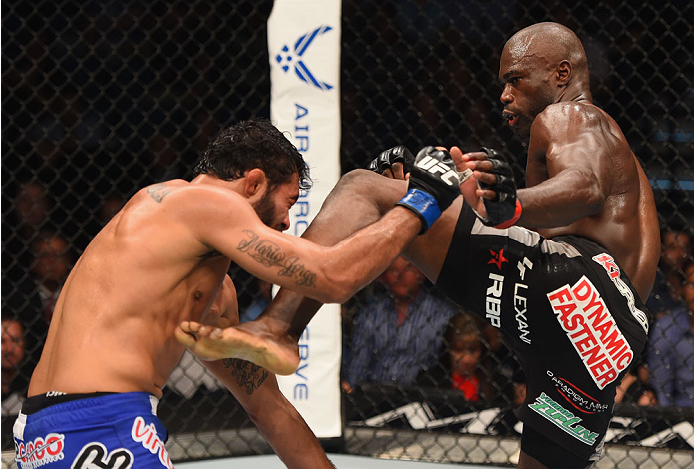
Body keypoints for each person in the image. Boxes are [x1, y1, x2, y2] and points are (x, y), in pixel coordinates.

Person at [180, 23, 660, 469]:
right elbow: (565, 212)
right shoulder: (604, 141)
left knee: (361, 189)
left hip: (579, 292)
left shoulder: (570, 114)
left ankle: (280, 327)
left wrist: (511, 206)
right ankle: (411, 199)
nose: (504, 95)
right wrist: (421, 194)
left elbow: (584, 186)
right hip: (604, 343)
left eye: (515, 80)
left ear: (561, 73)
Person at [14, 118, 464, 468]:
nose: (288, 223)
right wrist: (422, 200)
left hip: (46, 433)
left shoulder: (205, 288)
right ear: (252, 183)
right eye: (288, 203)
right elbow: (332, 277)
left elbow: (266, 407)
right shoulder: (198, 203)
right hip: (100, 422)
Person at [342, 256, 457, 391]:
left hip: (425, 396)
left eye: (408, 268)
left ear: (422, 273)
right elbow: (357, 367)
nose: (400, 276)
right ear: (384, 275)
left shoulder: (443, 315)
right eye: (393, 270)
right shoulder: (371, 314)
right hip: (374, 397)